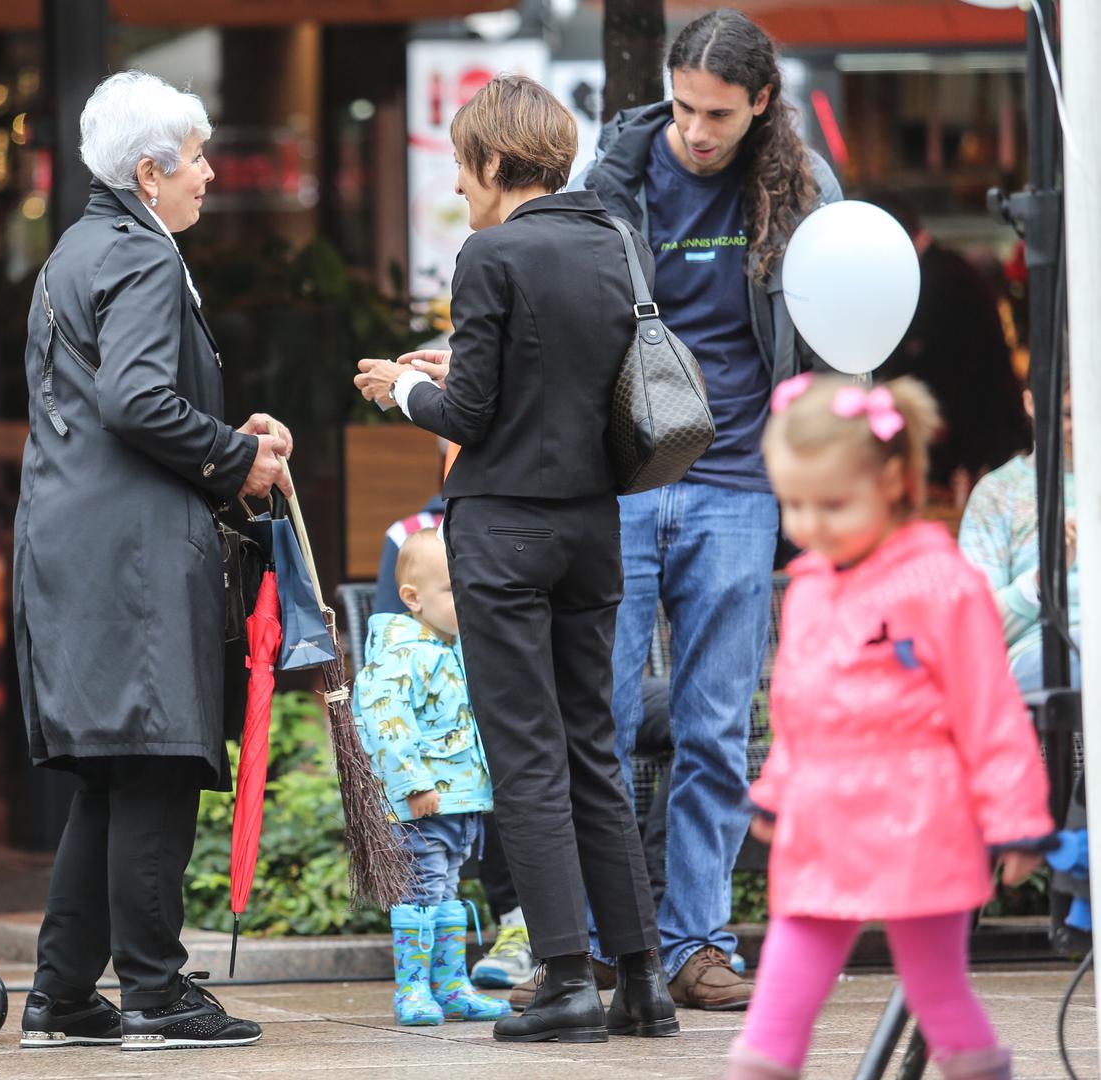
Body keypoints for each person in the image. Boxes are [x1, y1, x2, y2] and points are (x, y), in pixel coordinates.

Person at [355, 73, 677, 1044]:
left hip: (500, 533)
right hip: (591, 529)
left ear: (496, 161)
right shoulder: (612, 242)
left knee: (525, 755)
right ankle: (639, 980)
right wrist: (465, 369)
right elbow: (569, 373)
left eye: (460, 165)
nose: (457, 185)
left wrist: (399, 394)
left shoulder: (487, 254)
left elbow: (466, 417)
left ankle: (561, 979)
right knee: (590, 747)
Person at [12, 70, 292, 1053]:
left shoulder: (74, 251)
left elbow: (111, 404)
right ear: (147, 172)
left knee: (110, 772)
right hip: (129, 556)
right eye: (197, 160)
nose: (210, 175)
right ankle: (158, 996)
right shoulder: (140, 254)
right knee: (154, 766)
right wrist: (234, 457)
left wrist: (221, 439)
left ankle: (59, 998)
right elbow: (134, 402)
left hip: (77, 543)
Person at [573, 9, 842, 1011]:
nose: (695, 129)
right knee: (594, 711)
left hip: (737, 482)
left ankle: (693, 944)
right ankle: (602, 943)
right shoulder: (614, 172)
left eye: (717, 115)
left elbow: (828, 339)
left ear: (759, 103)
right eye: (684, 106)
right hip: (625, 478)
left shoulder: (803, 188)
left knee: (714, 725)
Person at [730, 373, 1053, 1080]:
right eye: (794, 504)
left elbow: (987, 707)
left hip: (920, 821)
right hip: (821, 823)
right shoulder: (811, 584)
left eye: (833, 504)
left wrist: (1016, 818)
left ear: (897, 479)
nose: (809, 525)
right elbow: (799, 705)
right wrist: (779, 788)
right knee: (771, 1023)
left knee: (942, 1002)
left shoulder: (942, 583)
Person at [354, 529, 512, 1027]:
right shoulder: (402, 655)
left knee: (445, 893)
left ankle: (451, 985)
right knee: (420, 892)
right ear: (412, 598)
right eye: (452, 590)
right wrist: (413, 785)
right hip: (421, 804)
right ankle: (414, 990)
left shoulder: (453, 649)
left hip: (457, 803)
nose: (465, 600)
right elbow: (385, 723)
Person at [869, 193, 1029, 489]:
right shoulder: (942, 269)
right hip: (972, 426)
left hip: (972, 432)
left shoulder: (937, 279)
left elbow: (938, 363)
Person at [958, 382, 1080, 692]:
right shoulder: (999, 493)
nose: (1080, 425)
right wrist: (1044, 579)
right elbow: (973, 629)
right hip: (1043, 655)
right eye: (1067, 413)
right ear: (1031, 402)